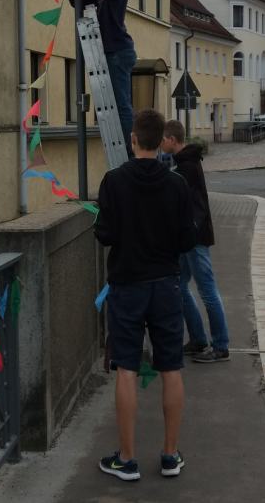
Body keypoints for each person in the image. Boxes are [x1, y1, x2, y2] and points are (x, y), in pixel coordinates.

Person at [94, 109, 197, 481]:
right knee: (171, 367)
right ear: (160, 142)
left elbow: (105, 234)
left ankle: (127, 459)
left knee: (127, 368)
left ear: (134, 140)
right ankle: (170, 456)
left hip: (127, 286)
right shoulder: (177, 184)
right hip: (167, 285)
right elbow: (187, 240)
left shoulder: (113, 181)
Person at [161, 120, 230, 363]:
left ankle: (220, 346)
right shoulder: (185, 163)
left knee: (207, 290)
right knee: (180, 286)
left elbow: (195, 207)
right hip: (186, 239)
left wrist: (188, 233)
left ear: (172, 140)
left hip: (195, 239)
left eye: (163, 140)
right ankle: (198, 340)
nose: (160, 144)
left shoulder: (187, 167)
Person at [65, 0, 136, 153]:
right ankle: (123, 145)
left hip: (119, 51)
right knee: (115, 103)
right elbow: (77, 0)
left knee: (121, 103)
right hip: (111, 51)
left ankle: (129, 150)